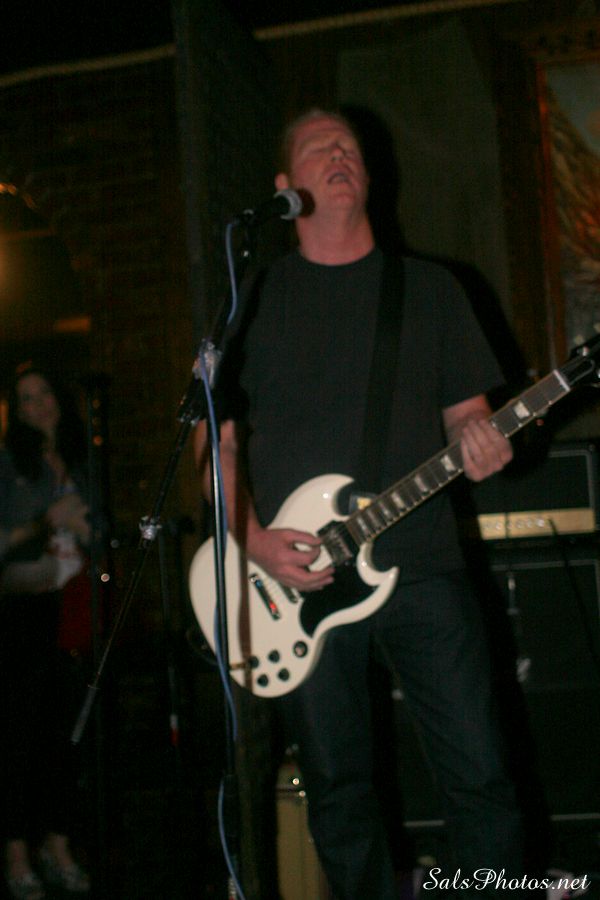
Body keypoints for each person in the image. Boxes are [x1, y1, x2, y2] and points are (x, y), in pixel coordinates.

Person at [194, 108, 525, 899]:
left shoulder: (432, 289)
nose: (338, 154)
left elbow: (468, 416)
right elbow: (217, 446)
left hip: (424, 564)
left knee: (480, 770)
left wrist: (482, 439)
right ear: (286, 187)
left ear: (369, 175)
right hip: (296, 581)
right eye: (319, 148)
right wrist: (253, 539)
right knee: (339, 790)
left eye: (349, 147)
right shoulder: (251, 301)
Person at [0, 364, 92, 900]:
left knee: (68, 733)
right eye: (27, 398)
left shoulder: (82, 457)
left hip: (74, 606)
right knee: (20, 736)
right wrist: (46, 521)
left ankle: (58, 845)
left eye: (44, 393)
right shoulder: (9, 461)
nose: (39, 405)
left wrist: (86, 526)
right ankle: (16, 852)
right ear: (17, 410)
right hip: (23, 610)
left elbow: (102, 526)